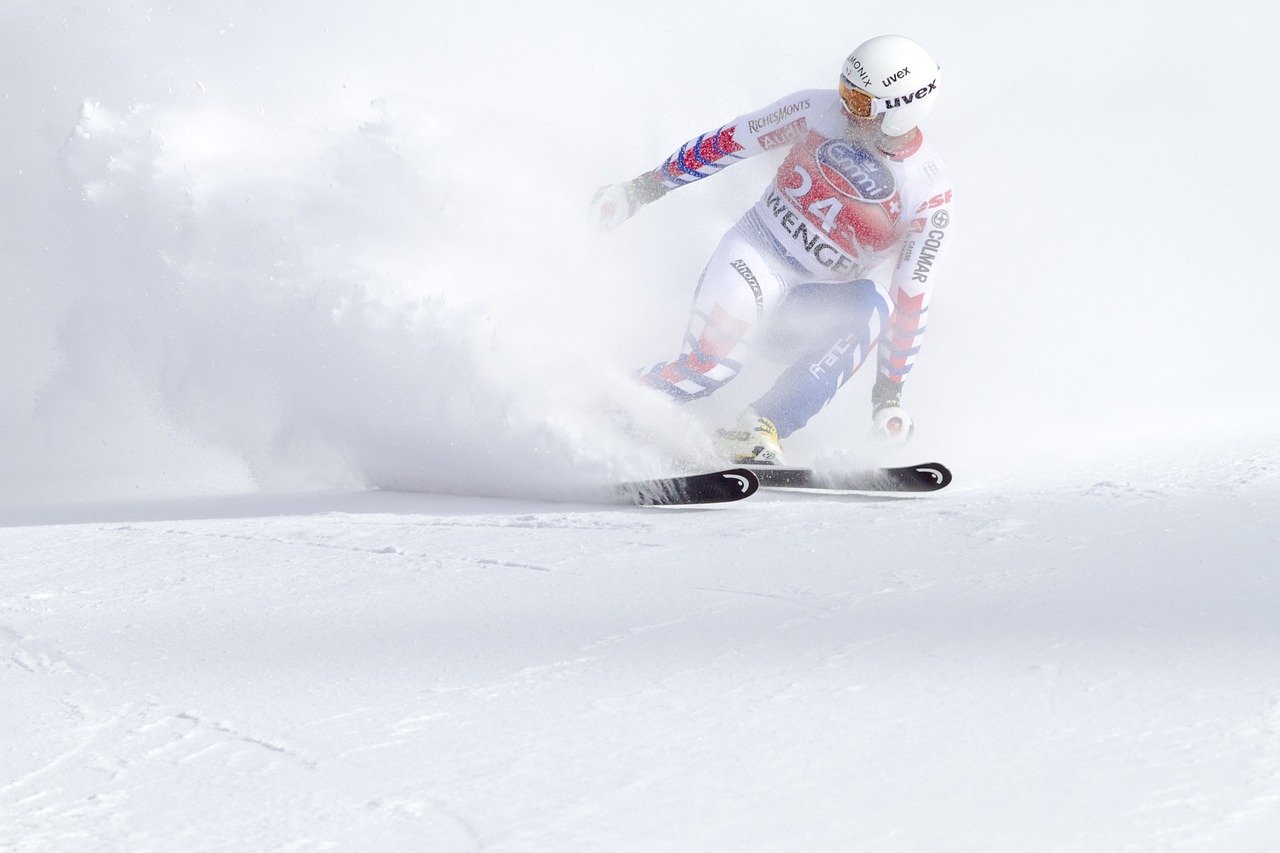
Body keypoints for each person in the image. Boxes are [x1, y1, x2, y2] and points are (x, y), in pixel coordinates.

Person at [590, 35, 956, 466]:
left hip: (809, 309)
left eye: (858, 103)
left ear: (900, 111)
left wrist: (888, 396)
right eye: (843, 91)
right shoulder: (815, 110)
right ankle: (604, 403)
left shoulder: (928, 190)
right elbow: (730, 142)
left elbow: (911, 296)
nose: (844, 108)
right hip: (756, 258)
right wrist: (640, 190)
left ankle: (760, 426)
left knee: (875, 305)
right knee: (708, 371)